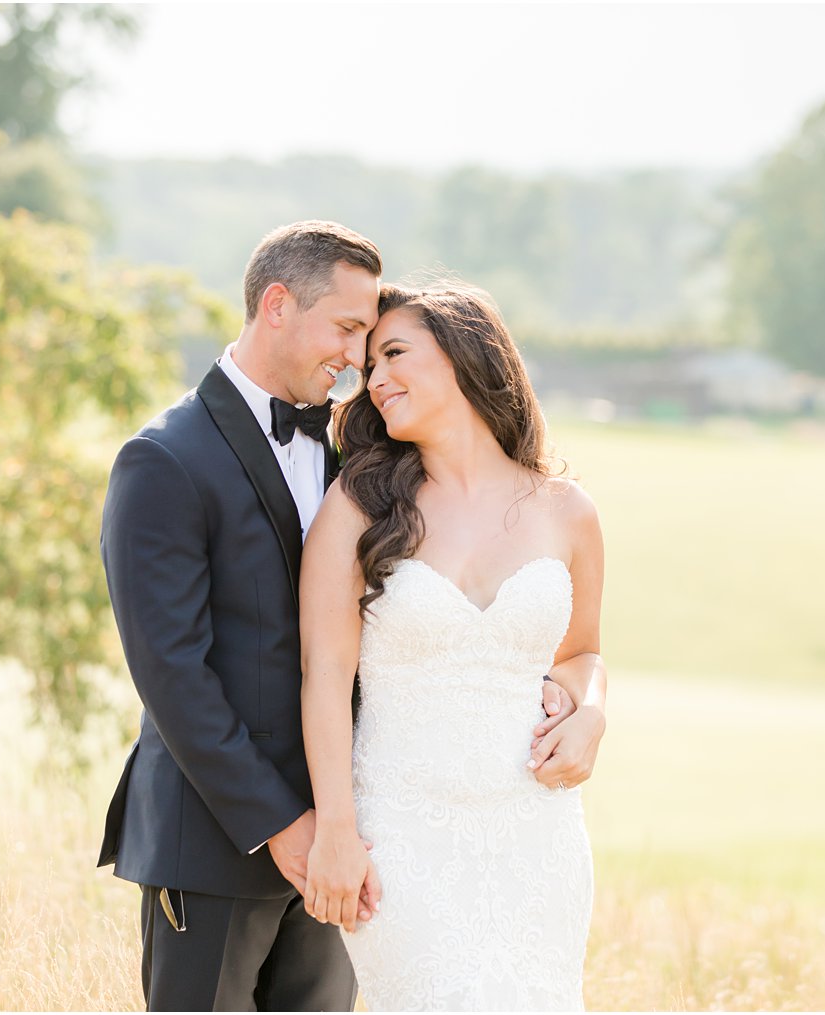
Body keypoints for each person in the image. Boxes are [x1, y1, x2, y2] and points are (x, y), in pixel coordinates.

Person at [95, 225, 579, 1011]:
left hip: (362, 847)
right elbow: (172, 676)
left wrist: (340, 830)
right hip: (219, 841)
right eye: (350, 330)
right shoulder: (164, 459)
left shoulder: (357, 457)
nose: (358, 360)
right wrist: (287, 826)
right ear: (277, 306)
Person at [299, 283, 608, 1011]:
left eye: (394, 354)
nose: (373, 378)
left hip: (536, 833)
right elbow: (325, 675)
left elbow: (583, 653)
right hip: (400, 835)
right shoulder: (357, 505)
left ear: (467, 354)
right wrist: (336, 830)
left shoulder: (567, 511)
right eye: (369, 364)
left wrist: (592, 711)